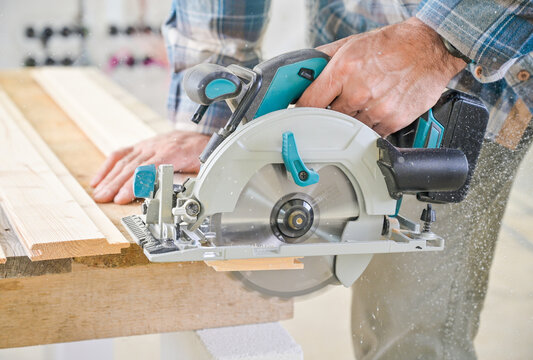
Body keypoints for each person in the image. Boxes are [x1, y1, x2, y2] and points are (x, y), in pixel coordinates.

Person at [91, 0, 532, 358]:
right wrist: (220, 128)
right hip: (349, 55)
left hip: (475, 64)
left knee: (411, 337)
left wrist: (435, 44)